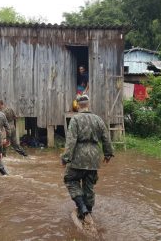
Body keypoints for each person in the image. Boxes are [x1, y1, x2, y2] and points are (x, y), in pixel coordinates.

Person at [61, 95, 114, 224]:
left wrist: (65, 157)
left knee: (70, 179)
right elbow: (106, 138)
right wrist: (108, 154)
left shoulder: (75, 119)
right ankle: (89, 211)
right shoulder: (98, 119)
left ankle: (82, 207)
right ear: (88, 105)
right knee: (89, 185)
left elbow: (71, 140)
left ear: (78, 105)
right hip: (94, 158)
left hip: (78, 156)